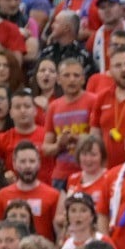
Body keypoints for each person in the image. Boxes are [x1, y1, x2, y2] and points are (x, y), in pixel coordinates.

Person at [42, 58, 96, 190]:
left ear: (83, 79)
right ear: (59, 80)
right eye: (66, 75)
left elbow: (98, 140)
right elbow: (45, 148)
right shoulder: (53, 106)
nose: (72, 79)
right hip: (61, 176)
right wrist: (59, 145)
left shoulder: (94, 101)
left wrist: (75, 138)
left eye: (76, 75)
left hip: (89, 172)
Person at [0, 140, 61, 241]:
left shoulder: (53, 195)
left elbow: (59, 233)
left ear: (39, 163)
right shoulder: (1, 195)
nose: (27, 166)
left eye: (32, 161)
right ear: (14, 163)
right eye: (23, 161)